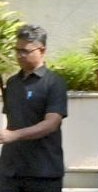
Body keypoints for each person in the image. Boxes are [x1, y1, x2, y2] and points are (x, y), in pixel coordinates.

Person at [0, 25, 67, 192]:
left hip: (43, 172)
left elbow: (52, 123)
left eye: (26, 51)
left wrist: (15, 135)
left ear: (42, 50)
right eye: (17, 50)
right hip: (11, 172)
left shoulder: (54, 83)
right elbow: (12, 121)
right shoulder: (13, 83)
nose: (20, 55)